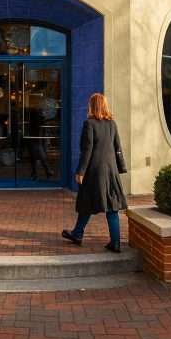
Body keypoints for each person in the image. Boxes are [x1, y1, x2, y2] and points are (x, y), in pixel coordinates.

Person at [62, 93, 127, 253]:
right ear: (104, 106)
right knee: (112, 207)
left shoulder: (89, 124)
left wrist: (80, 171)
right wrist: (121, 167)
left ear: (92, 106)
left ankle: (77, 233)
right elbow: (117, 147)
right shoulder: (112, 124)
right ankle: (115, 242)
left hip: (94, 171)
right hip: (111, 171)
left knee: (86, 202)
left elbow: (87, 150)